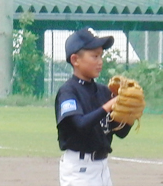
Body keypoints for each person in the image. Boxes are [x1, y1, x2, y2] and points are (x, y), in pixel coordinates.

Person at [54, 27, 132, 186]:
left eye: (101, 56)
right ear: (75, 60)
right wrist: (109, 106)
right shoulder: (68, 91)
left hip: (102, 168)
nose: (100, 61)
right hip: (79, 170)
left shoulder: (104, 91)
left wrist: (130, 114)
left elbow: (120, 132)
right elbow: (80, 125)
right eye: (94, 56)